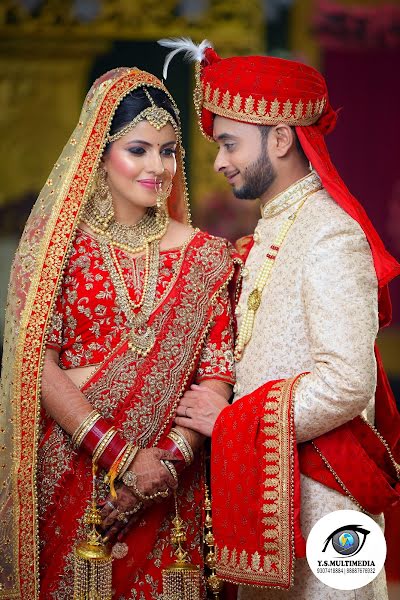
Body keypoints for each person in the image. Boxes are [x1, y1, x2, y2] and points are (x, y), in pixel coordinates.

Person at [159, 39, 400, 599]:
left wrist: (231, 424)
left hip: (327, 505)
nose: (219, 161)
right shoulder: (274, 226)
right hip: (269, 496)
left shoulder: (330, 234)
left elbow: (347, 382)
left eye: (229, 143)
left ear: (283, 138)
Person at [0, 67, 237, 599]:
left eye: (170, 151)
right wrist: (124, 459)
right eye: (139, 149)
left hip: (171, 487)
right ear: (99, 156)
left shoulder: (207, 257)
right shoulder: (58, 254)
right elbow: (37, 364)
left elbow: (216, 375)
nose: (159, 168)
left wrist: (166, 464)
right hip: (73, 477)